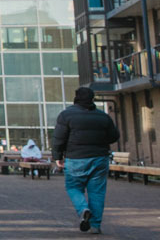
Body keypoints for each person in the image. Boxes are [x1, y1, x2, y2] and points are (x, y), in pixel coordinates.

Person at [53, 87, 120, 234]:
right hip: (99, 159)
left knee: (73, 187)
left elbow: (59, 138)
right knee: (97, 192)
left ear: (76, 98)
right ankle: (95, 226)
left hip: (75, 158)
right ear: (92, 99)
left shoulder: (66, 116)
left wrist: (57, 157)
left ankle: (83, 209)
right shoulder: (103, 116)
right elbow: (114, 136)